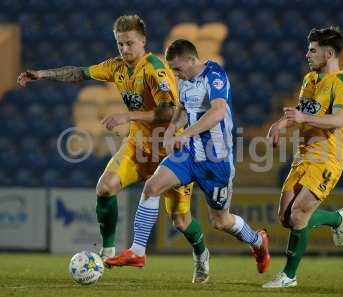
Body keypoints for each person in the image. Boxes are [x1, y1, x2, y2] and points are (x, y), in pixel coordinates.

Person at [17, 15, 210, 284]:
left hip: (169, 150)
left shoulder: (157, 70)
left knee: (180, 222)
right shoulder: (117, 67)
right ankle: (107, 252)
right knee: (105, 187)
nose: (125, 49)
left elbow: (168, 113)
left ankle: (201, 254)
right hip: (137, 146)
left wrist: (128, 116)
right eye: (120, 44)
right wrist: (42, 74)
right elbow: (80, 73)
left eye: (130, 43)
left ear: (143, 41)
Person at [107, 39, 271, 275]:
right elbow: (183, 110)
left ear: (193, 60)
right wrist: (173, 129)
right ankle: (137, 251)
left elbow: (217, 112)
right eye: (172, 69)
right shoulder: (184, 80)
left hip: (217, 162)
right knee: (152, 187)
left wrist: (186, 134)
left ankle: (257, 241)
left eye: (177, 68)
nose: (175, 74)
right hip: (190, 153)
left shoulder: (214, 75)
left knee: (220, 220)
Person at [262, 27, 343, 288]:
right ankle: (337, 218)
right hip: (302, 157)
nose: (307, 55)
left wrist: (304, 118)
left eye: (312, 50)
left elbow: (339, 119)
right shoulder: (310, 80)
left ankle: (289, 276)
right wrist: (279, 126)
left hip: (327, 160)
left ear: (329, 53)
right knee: (285, 218)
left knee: (299, 216)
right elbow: (299, 114)